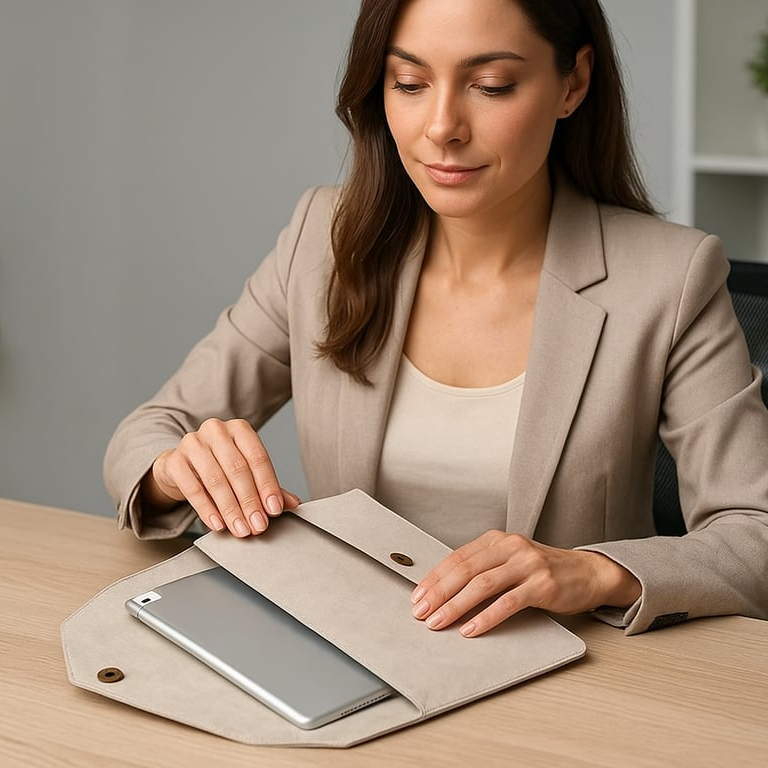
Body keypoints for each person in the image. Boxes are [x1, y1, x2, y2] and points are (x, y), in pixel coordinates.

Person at [104, 0, 768, 637]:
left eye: (491, 85)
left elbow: (754, 532)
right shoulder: (323, 240)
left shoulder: (670, 276)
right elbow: (149, 433)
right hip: (354, 650)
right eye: (410, 82)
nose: (441, 127)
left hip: (567, 675)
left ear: (574, 83)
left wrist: (594, 571)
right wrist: (175, 470)